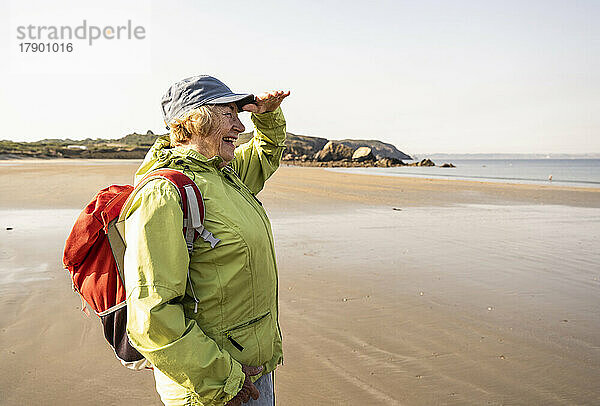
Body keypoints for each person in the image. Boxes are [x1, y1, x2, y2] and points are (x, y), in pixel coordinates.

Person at [122, 75, 289, 405]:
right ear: (196, 120)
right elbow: (152, 317)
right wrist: (222, 380)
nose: (241, 127)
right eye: (229, 114)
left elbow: (266, 154)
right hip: (214, 387)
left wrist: (267, 116)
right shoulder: (164, 194)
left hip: (253, 371)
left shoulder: (224, 174)